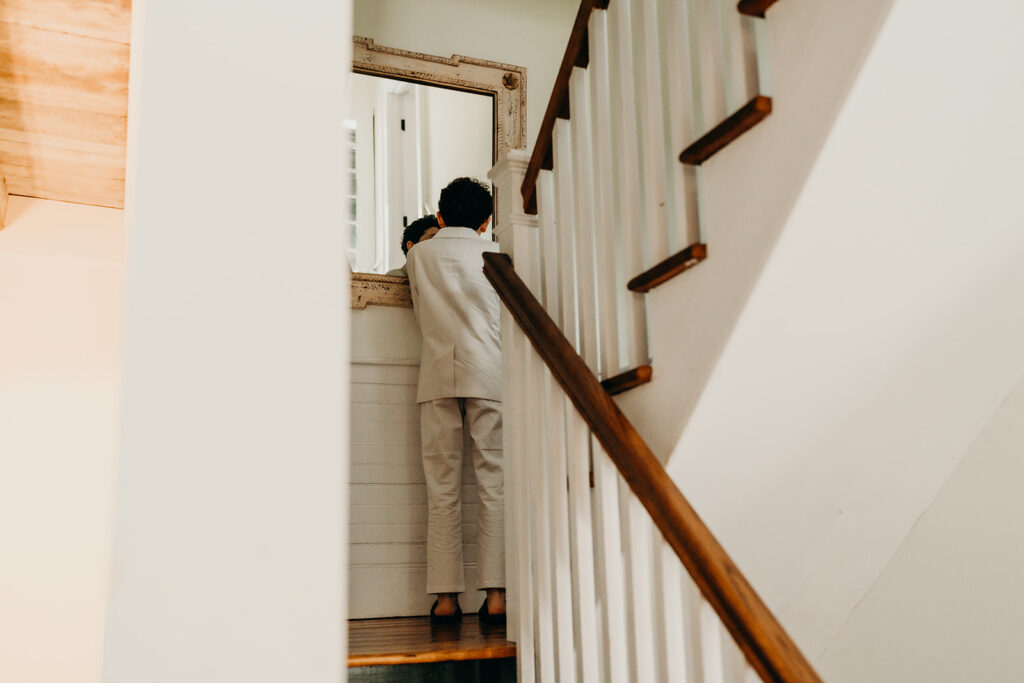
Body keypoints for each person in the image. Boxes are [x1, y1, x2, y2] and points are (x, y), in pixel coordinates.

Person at [406, 177, 505, 625]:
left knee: (441, 487)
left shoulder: (419, 255)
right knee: (494, 483)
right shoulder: (497, 254)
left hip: (437, 372)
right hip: (489, 369)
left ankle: (445, 599)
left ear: (440, 215)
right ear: (485, 222)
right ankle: (497, 594)